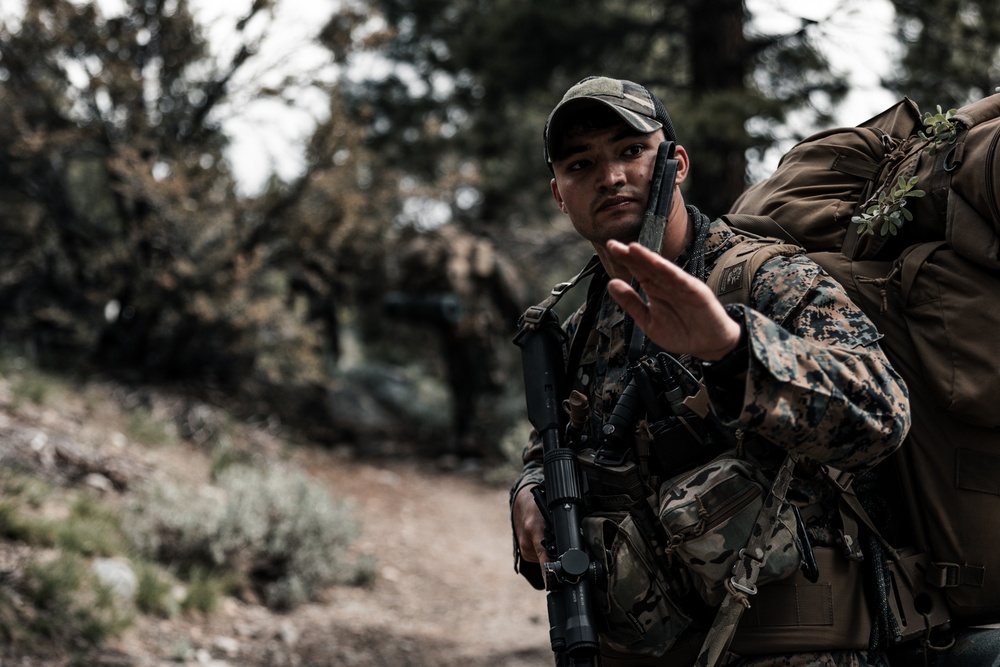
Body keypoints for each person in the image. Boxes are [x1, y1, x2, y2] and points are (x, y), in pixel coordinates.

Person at [509, 76, 912, 666]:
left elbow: (884, 412)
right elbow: (550, 448)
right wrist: (528, 489)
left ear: (675, 163)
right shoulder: (578, 327)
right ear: (559, 194)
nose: (611, 176)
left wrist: (733, 348)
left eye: (631, 151)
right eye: (581, 164)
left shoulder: (763, 278)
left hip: (790, 648)